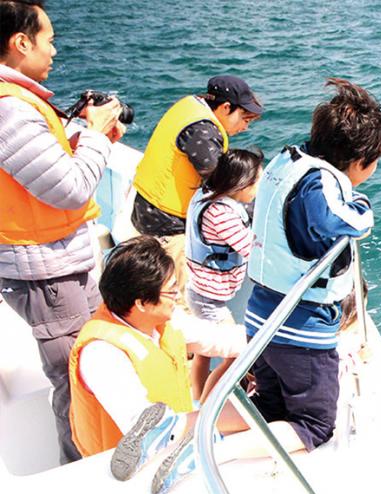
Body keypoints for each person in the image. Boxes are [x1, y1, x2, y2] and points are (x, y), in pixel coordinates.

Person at [66, 236, 304, 494]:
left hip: (176, 442)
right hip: (128, 479)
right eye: (171, 291)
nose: (179, 296)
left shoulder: (162, 321)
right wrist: (243, 417)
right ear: (142, 303)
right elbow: (148, 433)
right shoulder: (101, 355)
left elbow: (224, 341)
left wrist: (294, 343)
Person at [0, 0, 125, 464]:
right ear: (21, 42)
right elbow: (71, 188)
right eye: (49, 39)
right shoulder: (11, 109)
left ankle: (97, 456)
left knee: (92, 363)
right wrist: (92, 135)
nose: (54, 50)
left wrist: (79, 139)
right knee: (78, 377)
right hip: (48, 275)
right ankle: (82, 476)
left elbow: (38, 172)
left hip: (56, 266)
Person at [241, 78, 381, 457]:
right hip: (299, 328)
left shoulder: (288, 161)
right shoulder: (319, 184)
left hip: (260, 315)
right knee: (315, 426)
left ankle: (184, 429)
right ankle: (204, 450)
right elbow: (340, 220)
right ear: (360, 162)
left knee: (269, 406)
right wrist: (363, 209)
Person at [131, 75, 263, 303]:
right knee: (177, 300)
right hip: (167, 226)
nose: (245, 127)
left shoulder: (190, 107)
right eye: (245, 118)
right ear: (225, 107)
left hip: (144, 209)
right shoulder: (202, 131)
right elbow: (224, 184)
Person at [184, 148, 263, 400]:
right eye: (257, 182)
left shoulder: (205, 196)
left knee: (204, 353)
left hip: (199, 291)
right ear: (240, 185)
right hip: (210, 301)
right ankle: (206, 410)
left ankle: (198, 400)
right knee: (236, 353)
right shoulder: (222, 214)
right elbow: (251, 249)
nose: (259, 188)